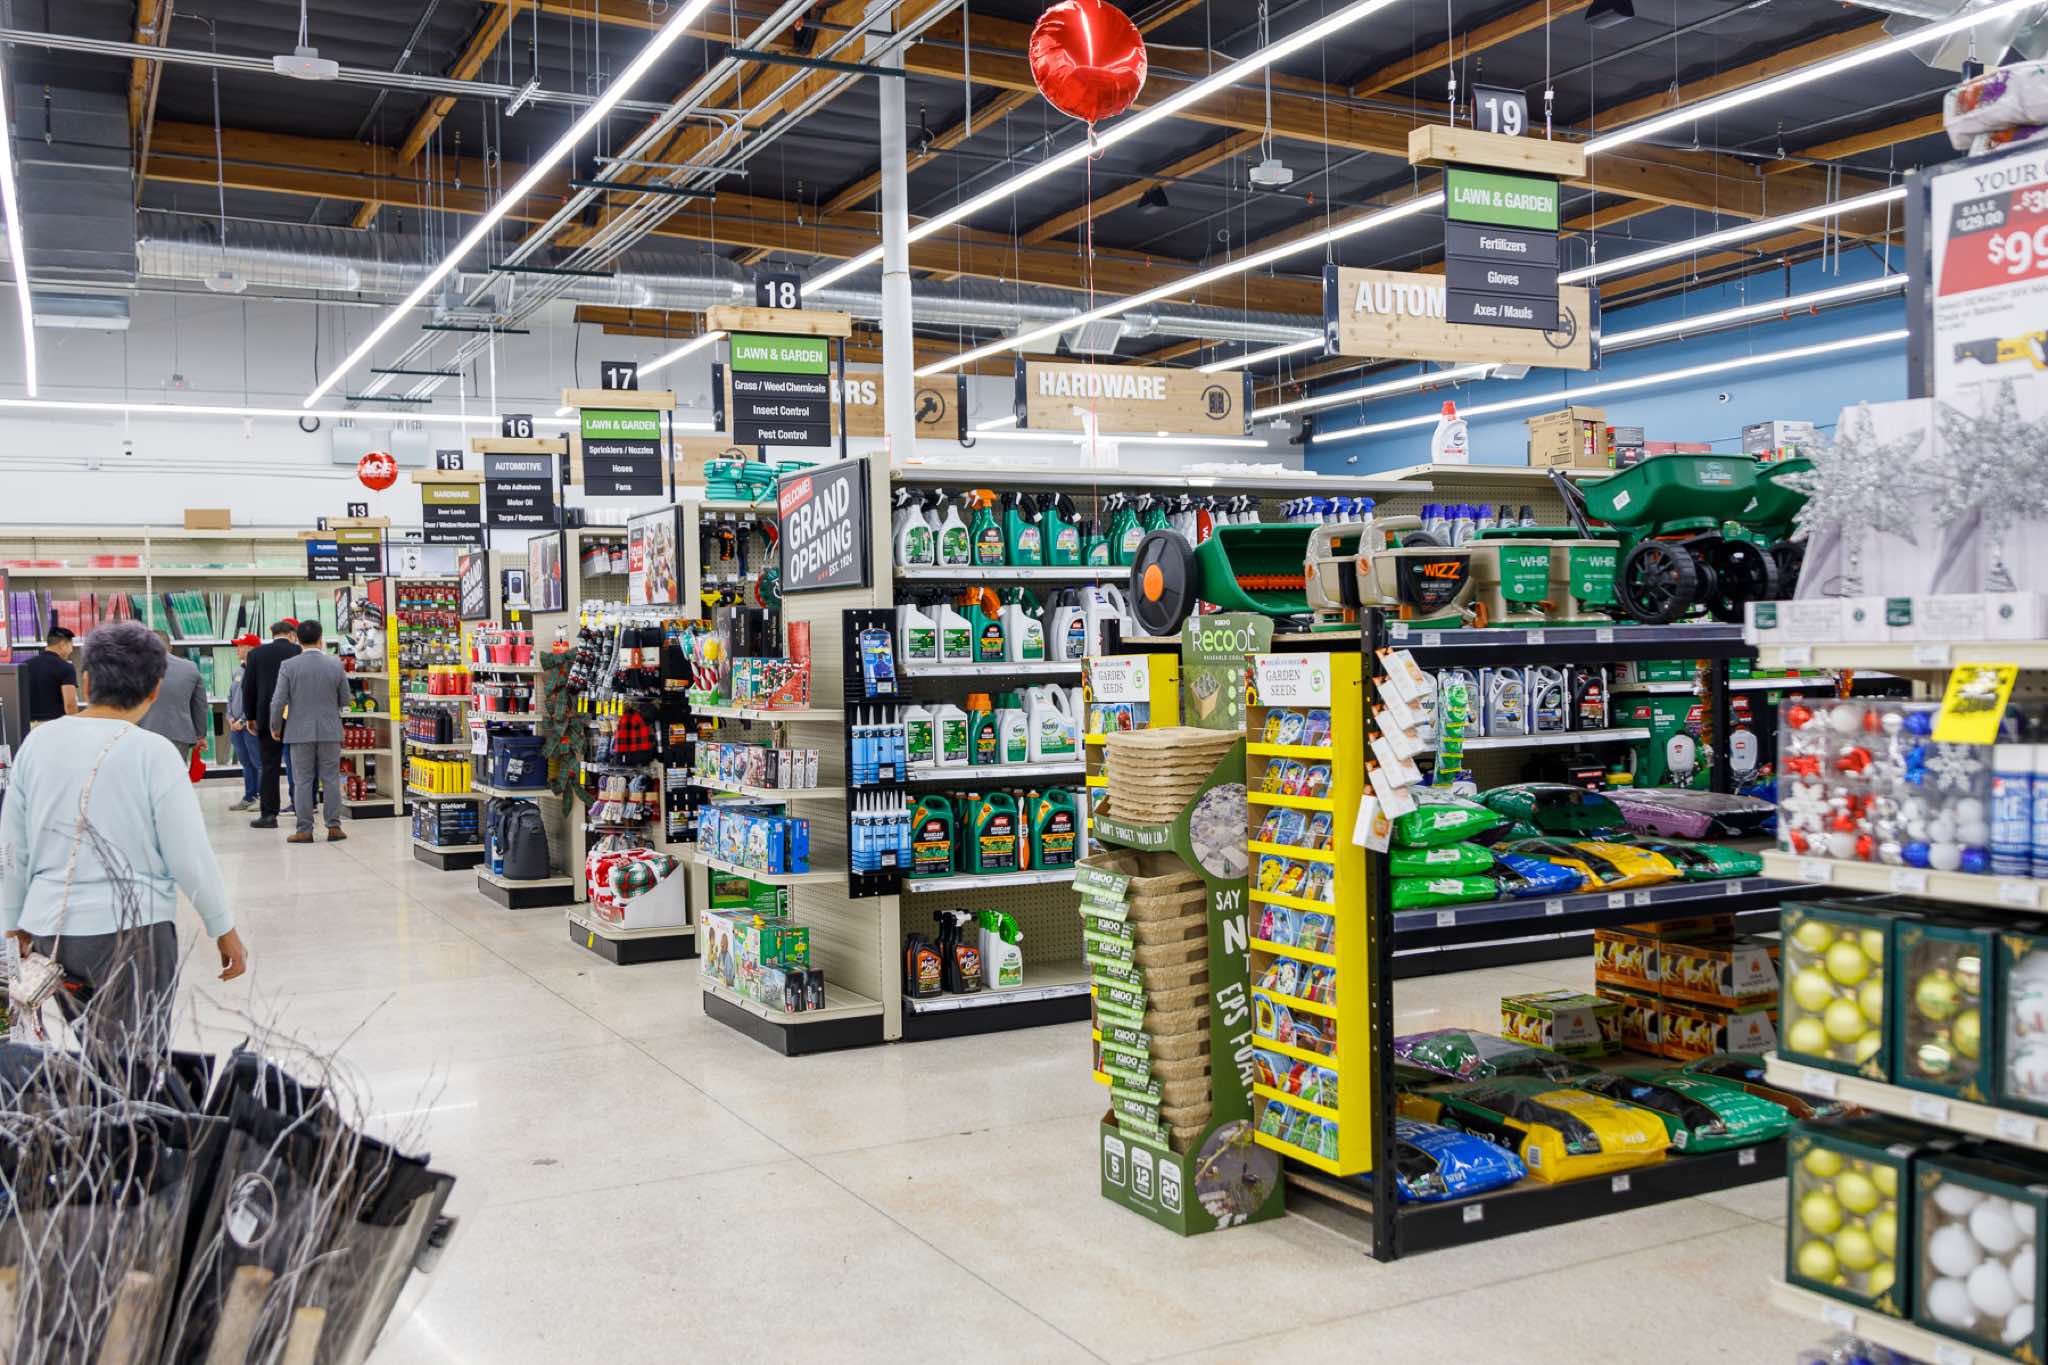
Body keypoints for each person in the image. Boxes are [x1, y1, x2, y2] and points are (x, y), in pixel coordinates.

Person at [0, 622, 248, 1053]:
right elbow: (189, 855)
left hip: (53, 933)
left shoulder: (36, 745)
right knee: (136, 1060)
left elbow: (12, 849)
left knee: (95, 1050)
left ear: (86, 682)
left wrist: (11, 925)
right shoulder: (154, 753)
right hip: (134, 931)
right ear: (155, 689)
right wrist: (221, 925)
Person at [269, 619, 350, 844]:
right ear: (321, 639)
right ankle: (334, 827)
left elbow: (278, 701)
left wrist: (276, 726)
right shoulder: (335, 664)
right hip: (330, 730)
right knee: (331, 779)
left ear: (297, 640)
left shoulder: (288, 666)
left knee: (303, 780)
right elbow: (345, 699)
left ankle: (304, 830)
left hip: (298, 731)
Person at [239, 621, 300, 830]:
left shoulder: (257, 654)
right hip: (296, 716)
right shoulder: (298, 651)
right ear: (291, 634)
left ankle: (268, 815)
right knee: (300, 765)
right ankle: (302, 809)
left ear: (272, 634)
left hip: (266, 717)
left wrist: (250, 717)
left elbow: (248, 687)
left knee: (269, 766)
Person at [137, 631, 208, 765]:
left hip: (143, 732)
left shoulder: (134, 669)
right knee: (175, 774)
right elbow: (200, 705)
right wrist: (201, 735)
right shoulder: (190, 668)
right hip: (179, 734)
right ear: (170, 647)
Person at [223, 633, 262, 811]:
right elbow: (231, 696)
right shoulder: (238, 671)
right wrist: (230, 717)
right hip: (236, 726)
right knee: (246, 763)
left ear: (251, 648)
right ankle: (249, 797)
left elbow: (257, 699)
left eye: (241, 645)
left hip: (250, 725)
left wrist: (243, 720)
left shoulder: (259, 671)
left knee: (258, 762)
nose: (237, 649)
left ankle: (262, 798)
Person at [19, 626, 80, 728]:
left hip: (27, 726)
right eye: (71, 646)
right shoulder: (66, 667)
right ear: (62, 645)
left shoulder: (24, 665)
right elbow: (70, 704)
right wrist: (76, 727)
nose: (71, 650)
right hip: (55, 726)